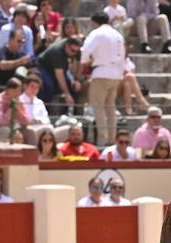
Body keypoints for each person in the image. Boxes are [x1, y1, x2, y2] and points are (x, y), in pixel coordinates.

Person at [81, 11, 126, 147]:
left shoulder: (96, 33)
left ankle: (103, 138)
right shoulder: (118, 35)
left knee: (98, 107)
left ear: (95, 22)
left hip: (101, 72)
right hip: (116, 74)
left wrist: (85, 62)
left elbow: (86, 51)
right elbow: (123, 55)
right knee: (110, 107)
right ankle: (112, 138)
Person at [0, 77, 31, 142]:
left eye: (19, 91)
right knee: (6, 131)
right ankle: (3, 151)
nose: (17, 94)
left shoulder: (19, 100)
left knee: (30, 132)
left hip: (13, 128)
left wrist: (18, 110)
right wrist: (12, 108)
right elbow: (1, 122)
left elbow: (27, 121)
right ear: (8, 90)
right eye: (15, 91)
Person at [37, 35, 82, 106]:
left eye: (76, 51)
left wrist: (76, 80)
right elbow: (59, 75)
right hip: (44, 67)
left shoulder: (75, 50)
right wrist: (66, 94)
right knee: (49, 86)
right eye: (73, 51)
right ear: (67, 46)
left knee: (74, 87)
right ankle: (47, 109)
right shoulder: (58, 52)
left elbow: (80, 63)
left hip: (60, 68)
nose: (74, 54)